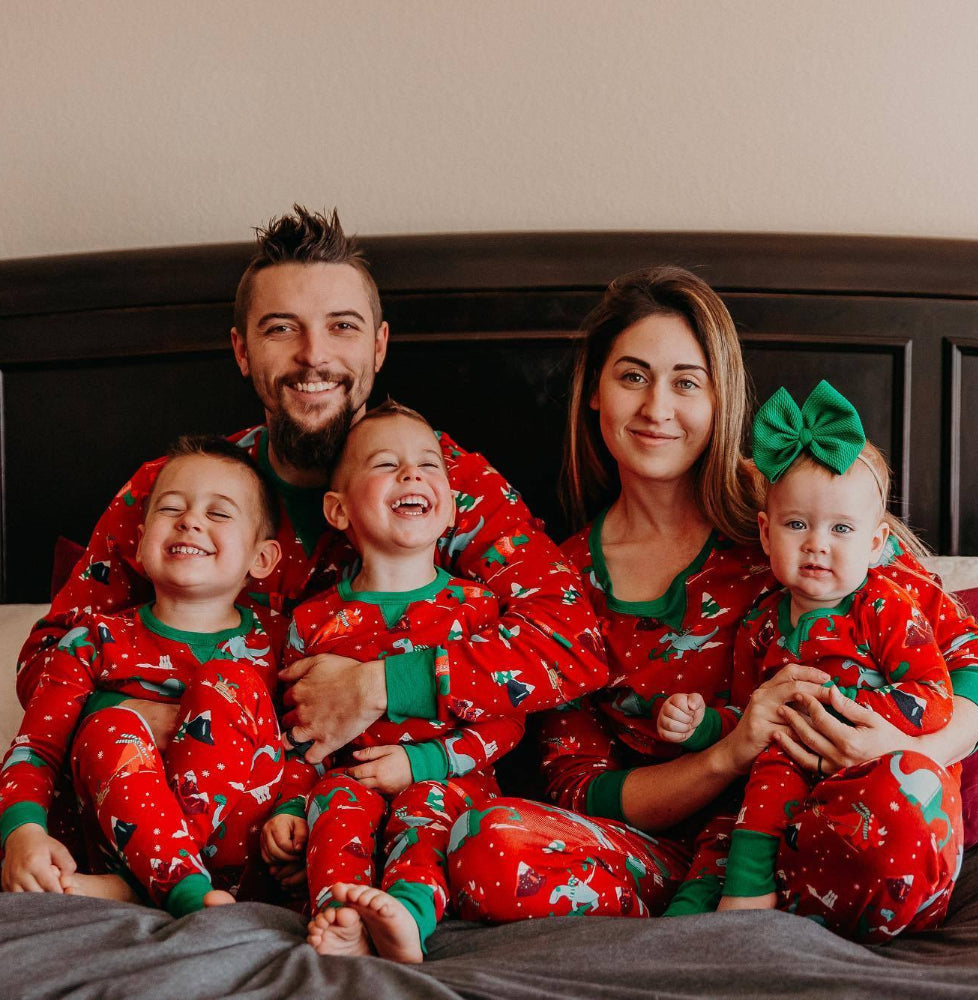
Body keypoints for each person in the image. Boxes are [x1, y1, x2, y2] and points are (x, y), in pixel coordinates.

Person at [15, 207, 606, 851]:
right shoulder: (178, 492)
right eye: (280, 329)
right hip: (183, 821)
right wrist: (178, 718)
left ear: (379, 346)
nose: (313, 355)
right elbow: (49, 657)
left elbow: (572, 642)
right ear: (242, 350)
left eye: (342, 327)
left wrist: (381, 687)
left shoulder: (439, 483)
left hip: (395, 823)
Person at [445, 266, 978, 942]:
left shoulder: (800, 519)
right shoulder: (560, 582)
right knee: (485, 843)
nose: (657, 408)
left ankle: (761, 922)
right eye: (632, 376)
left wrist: (917, 744)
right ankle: (711, 919)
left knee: (905, 796)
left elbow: (969, 646)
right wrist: (727, 753)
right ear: (595, 390)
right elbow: (576, 787)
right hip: (669, 861)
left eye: (686, 381)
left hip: (831, 825)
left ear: (720, 399)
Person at [658, 381, 958, 915]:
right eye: (798, 525)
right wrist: (701, 724)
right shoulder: (759, 626)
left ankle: (747, 908)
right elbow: (749, 718)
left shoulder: (885, 607)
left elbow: (933, 695)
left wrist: (842, 713)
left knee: (780, 777)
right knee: (719, 843)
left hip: (864, 779)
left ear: (875, 543)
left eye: (841, 528)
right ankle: (685, 939)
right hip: (773, 795)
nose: (817, 543)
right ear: (767, 534)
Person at [261, 400, 524, 962]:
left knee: (424, 811)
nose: (412, 474)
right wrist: (287, 806)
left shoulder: (475, 608)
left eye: (429, 466)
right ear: (337, 509)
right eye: (385, 465)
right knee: (332, 800)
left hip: (448, 782)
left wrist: (420, 765)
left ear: (450, 508)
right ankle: (340, 917)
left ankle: (408, 913)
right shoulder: (314, 619)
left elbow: (506, 722)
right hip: (348, 779)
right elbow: (297, 733)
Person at [0, 436, 284, 916]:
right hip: (110, 842)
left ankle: (152, 882)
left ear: (261, 559)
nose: (190, 520)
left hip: (242, 854)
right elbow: (36, 747)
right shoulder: (94, 641)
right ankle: (176, 886)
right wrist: (22, 834)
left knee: (225, 681)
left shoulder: (281, 643)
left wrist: (296, 814)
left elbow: (304, 748)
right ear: (139, 542)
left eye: (218, 514)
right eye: (171, 508)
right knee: (110, 724)